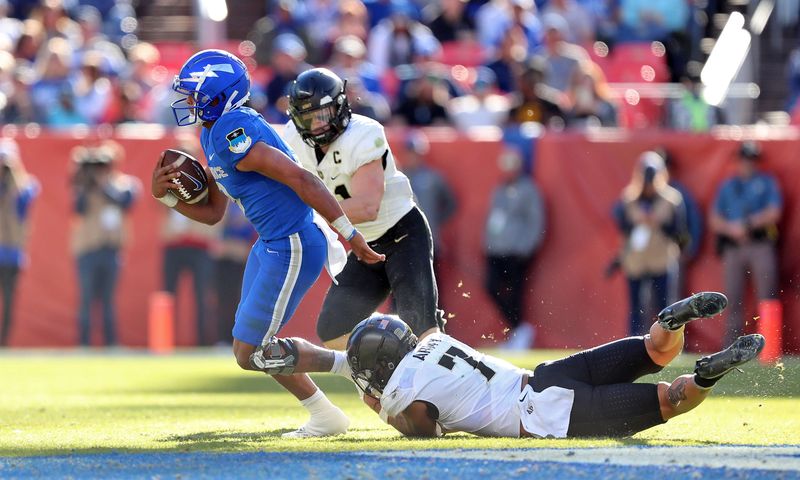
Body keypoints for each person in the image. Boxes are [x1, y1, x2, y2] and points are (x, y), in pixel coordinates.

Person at [151, 49, 383, 438]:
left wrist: (351, 234)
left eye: (196, 93)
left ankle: (349, 374)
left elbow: (303, 180)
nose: (189, 102)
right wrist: (168, 199)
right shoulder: (213, 131)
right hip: (272, 243)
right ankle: (332, 403)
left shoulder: (233, 129)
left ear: (219, 93)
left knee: (251, 350)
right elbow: (212, 213)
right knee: (251, 350)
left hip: (292, 242)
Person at [347, 292, 765, 438]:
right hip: (550, 374)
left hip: (546, 413)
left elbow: (423, 433)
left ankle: (708, 373)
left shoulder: (406, 394)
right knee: (655, 350)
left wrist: (382, 409)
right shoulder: (434, 340)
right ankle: (669, 322)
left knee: (669, 401)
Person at [284, 67, 445, 350]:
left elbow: (367, 206)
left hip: (401, 234)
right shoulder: (293, 138)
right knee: (333, 330)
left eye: (322, 115)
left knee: (423, 332)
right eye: (307, 118)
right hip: (363, 243)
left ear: (340, 106)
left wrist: (308, 212)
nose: (316, 125)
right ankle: (394, 363)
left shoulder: (364, 133)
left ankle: (452, 378)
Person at [710, 141, 782, 346]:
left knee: (767, 295)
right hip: (733, 246)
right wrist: (732, 228)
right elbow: (714, 219)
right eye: (744, 160)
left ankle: (769, 344)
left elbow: (774, 212)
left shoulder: (767, 182)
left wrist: (748, 223)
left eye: (751, 160)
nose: (747, 164)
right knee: (732, 298)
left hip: (760, 243)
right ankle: (731, 346)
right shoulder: (728, 185)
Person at [71, 141, 140, 347]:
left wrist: (103, 183)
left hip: (112, 249)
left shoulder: (125, 184)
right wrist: (83, 176)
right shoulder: (84, 186)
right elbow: (78, 208)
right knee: (86, 299)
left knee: (108, 300)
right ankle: (83, 344)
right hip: (88, 248)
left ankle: (111, 343)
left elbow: (125, 202)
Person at [612, 152, 685, 336]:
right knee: (636, 308)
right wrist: (638, 221)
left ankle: (668, 344)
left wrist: (658, 223)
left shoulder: (671, 199)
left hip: (662, 259)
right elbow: (621, 226)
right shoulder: (629, 199)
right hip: (636, 260)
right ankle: (633, 345)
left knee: (665, 308)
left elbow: (679, 232)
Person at [483, 146, 545, 349]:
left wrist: (526, 247)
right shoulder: (499, 189)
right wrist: (487, 243)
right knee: (491, 287)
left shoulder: (528, 189)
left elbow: (536, 221)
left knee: (516, 293)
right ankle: (518, 328)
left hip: (516, 251)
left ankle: (520, 331)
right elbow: (493, 218)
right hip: (496, 249)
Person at [160, 136, 219, 346]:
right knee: (168, 296)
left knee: (202, 296)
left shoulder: (205, 179)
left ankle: (203, 341)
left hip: (198, 245)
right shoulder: (168, 180)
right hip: (175, 245)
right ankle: (165, 340)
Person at [0, 138, 39, 346]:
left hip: (12, 254)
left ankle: (3, 343)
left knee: (8, 301)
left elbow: (28, 195)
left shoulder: (23, 186)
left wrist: (14, 174)